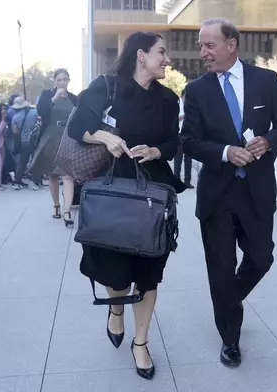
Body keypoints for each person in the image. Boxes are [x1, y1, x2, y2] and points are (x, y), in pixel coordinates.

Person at [67, 31, 186, 380]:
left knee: (149, 272)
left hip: (153, 192)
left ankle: (141, 342)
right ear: (140, 55)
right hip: (110, 190)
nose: (167, 59)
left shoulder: (168, 99)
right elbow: (77, 126)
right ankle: (116, 309)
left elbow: (173, 141)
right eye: (161, 51)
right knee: (115, 270)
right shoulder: (106, 87)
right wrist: (106, 136)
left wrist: (155, 150)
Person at [181, 19, 277, 367]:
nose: (203, 53)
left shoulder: (266, 80)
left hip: (257, 189)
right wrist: (224, 152)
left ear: (231, 44)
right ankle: (230, 338)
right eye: (201, 46)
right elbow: (188, 141)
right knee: (221, 268)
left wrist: (268, 142)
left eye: (209, 45)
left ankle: (228, 300)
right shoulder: (197, 90)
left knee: (262, 258)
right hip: (217, 193)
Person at [28, 69, 78, 225]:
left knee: (68, 174)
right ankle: (56, 205)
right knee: (53, 174)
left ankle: (67, 211)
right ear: (55, 81)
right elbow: (41, 111)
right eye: (59, 80)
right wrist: (54, 98)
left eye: (65, 79)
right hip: (51, 136)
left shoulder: (74, 98)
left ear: (69, 80)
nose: (62, 82)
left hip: (68, 138)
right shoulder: (46, 95)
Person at [173, 90, 194, 188]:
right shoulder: (177, 103)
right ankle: (176, 180)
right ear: (183, 96)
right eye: (186, 96)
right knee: (178, 159)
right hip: (179, 134)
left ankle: (187, 181)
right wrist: (184, 116)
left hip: (189, 135)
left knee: (188, 159)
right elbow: (173, 119)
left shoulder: (191, 105)